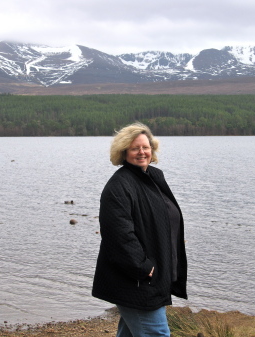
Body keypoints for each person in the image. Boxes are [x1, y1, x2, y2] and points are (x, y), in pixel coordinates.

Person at [92, 122, 188, 337]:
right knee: (157, 334)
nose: (142, 152)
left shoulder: (153, 178)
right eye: (135, 148)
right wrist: (143, 267)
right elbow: (119, 235)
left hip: (152, 275)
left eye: (145, 147)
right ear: (123, 152)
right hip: (137, 280)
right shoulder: (119, 186)